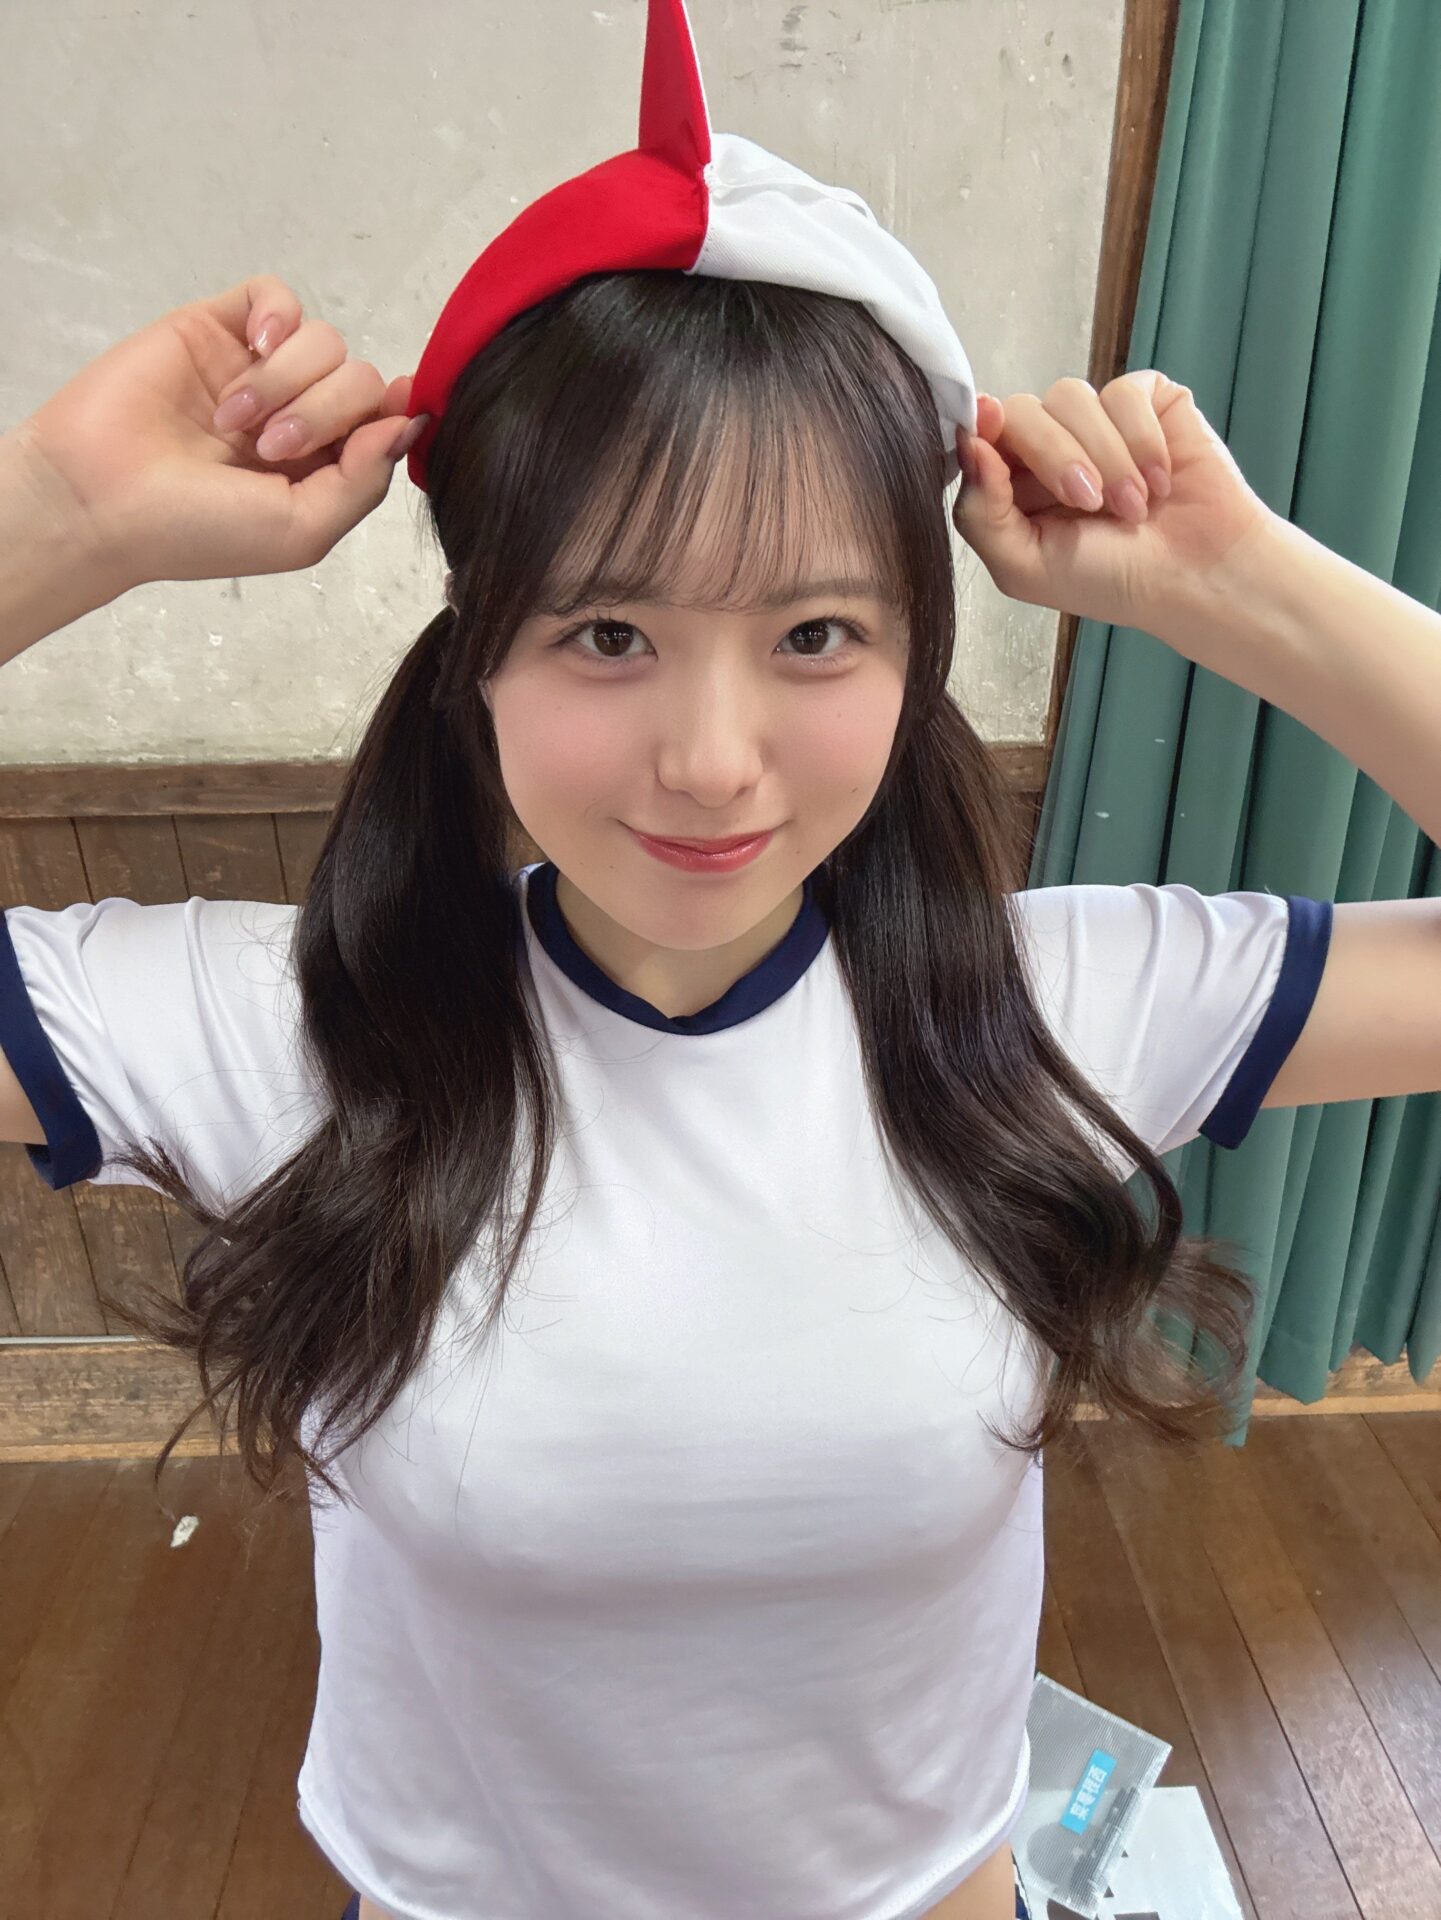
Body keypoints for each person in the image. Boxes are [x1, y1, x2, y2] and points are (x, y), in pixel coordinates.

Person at [2, 270, 1439, 1920]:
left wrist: (1236, 584)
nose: (709, 759)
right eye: (607, 634)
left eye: (813, 635)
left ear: (912, 661)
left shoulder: (1052, 1008)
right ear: (478, 655)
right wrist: (62, 514)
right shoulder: (295, 1025)